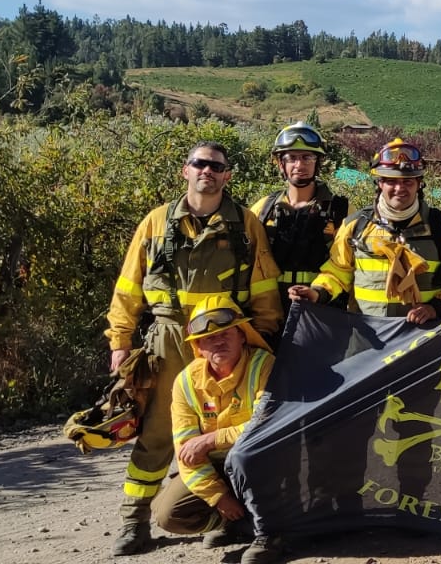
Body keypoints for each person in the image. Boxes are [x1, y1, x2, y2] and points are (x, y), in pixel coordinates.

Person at [105, 141, 282, 556]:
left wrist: (263, 339)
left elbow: (263, 291)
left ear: (227, 176)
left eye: (216, 166)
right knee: (157, 434)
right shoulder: (156, 223)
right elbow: (128, 287)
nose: (207, 171)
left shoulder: (245, 224)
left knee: (238, 427)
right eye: (199, 164)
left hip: (226, 340)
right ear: (185, 171)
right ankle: (134, 522)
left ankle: (228, 516)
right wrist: (120, 341)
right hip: (169, 339)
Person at [151, 296, 282, 564]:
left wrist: (212, 439)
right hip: (220, 469)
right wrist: (219, 497)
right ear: (198, 346)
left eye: (225, 334)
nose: (218, 341)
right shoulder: (186, 382)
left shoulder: (263, 365)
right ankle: (235, 524)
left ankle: (273, 534)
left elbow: (266, 428)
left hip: (261, 462)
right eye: (209, 338)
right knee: (167, 513)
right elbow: (185, 450)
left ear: (242, 336)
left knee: (243, 455)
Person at [289, 138, 441, 323]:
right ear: (380, 183)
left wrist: (435, 308)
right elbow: (337, 273)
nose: (399, 188)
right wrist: (316, 292)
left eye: (407, 182)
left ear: (419, 184)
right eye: (391, 181)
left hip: (422, 342)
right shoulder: (355, 226)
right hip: (368, 341)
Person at [250, 122, 349, 306]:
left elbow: (344, 266)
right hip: (273, 311)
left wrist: (319, 292)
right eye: (291, 158)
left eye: (307, 157)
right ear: (280, 163)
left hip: (324, 312)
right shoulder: (262, 209)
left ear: (318, 162)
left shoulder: (340, 211)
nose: (299, 165)